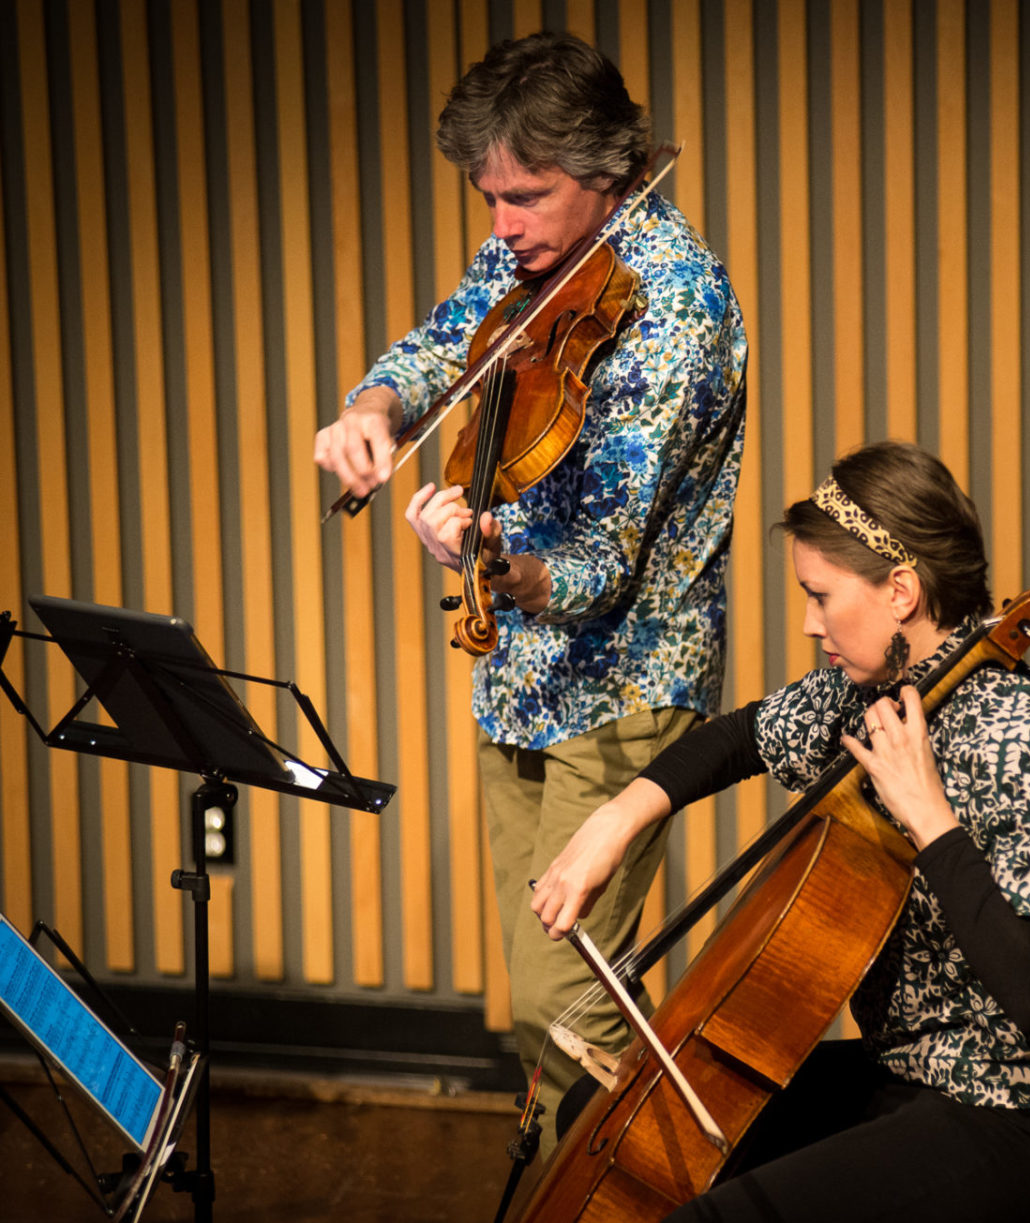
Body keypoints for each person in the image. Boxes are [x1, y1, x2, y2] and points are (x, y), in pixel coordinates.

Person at [312, 31, 748, 1137]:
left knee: (568, 1006)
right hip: (517, 671)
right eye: (488, 196)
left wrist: (491, 561)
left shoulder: (675, 307)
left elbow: (603, 566)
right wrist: (372, 409)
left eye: (526, 196)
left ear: (608, 170)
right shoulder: (528, 257)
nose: (501, 225)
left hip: (624, 687)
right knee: (544, 1006)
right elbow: (443, 344)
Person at [531, 442, 1030, 1222]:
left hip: (1027, 1109)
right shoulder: (880, 692)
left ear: (902, 591)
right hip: (908, 1072)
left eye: (821, 594)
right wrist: (617, 818)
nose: (810, 624)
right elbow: (736, 737)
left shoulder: (1020, 731)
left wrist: (932, 818)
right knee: (603, 1112)